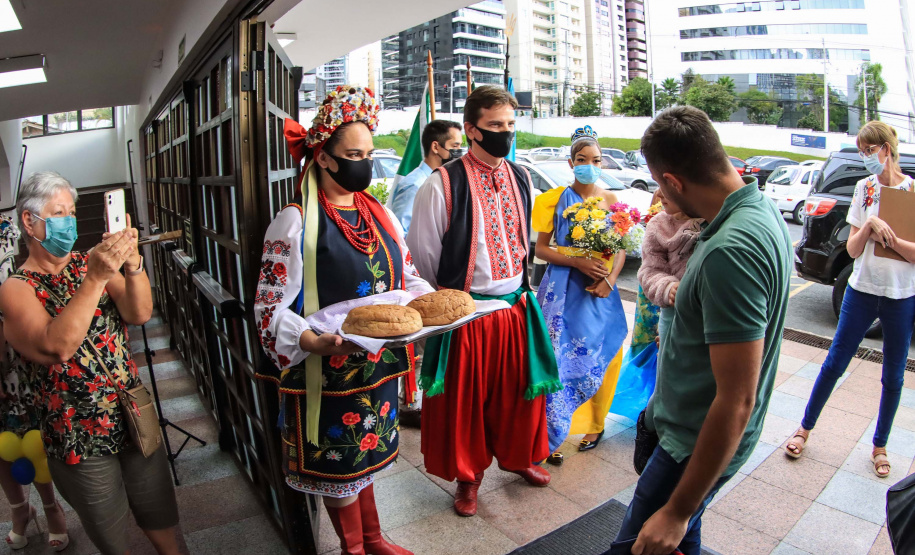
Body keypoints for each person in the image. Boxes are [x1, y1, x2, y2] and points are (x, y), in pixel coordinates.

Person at [256, 86, 432, 555]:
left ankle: (373, 540)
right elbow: (268, 310)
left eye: (370, 154)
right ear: (325, 157)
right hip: (326, 371)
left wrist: (430, 305)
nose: (365, 163)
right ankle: (353, 549)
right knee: (339, 465)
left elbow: (408, 274)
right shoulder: (293, 222)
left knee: (366, 453)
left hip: (376, 367)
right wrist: (312, 341)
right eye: (354, 154)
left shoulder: (381, 216)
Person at [611, 106, 791, 555]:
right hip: (687, 430)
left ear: (673, 182)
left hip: (691, 444)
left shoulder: (729, 250)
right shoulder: (760, 209)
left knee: (636, 545)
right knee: (682, 542)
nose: (658, 193)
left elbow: (737, 399)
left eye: (659, 183)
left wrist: (678, 508)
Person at [0, 171, 180, 555]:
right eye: (58, 212)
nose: (69, 221)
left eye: (72, 211)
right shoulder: (16, 288)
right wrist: (96, 278)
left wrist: (132, 266)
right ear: (30, 222)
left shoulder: (88, 263)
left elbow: (139, 311)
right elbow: (57, 346)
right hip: (75, 431)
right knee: (113, 537)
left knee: (161, 516)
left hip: (131, 409)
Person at [408, 85, 561, 517]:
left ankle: (518, 459)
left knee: (520, 395)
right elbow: (424, 254)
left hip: (515, 307)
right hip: (469, 314)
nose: (505, 133)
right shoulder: (442, 183)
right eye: (495, 125)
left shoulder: (522, 176)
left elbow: (523, 240)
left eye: (510, 124)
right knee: (466, 403)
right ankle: (468, 478)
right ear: (472, 129)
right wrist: (457, 300)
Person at [785, 122, 915, 478]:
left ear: (887, 149)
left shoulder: (912, 192)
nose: (866, 157)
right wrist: (871, 225)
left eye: (870, 150)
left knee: (894, 376)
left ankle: (880, 445)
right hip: (861, 291)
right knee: (834, 362)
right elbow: (855, 249)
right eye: (861, 150)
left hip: (901, 297)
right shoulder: (864, 189)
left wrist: (891, 241)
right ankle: (804, 428)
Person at [531, 125, 628, 465]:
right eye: (583, 159)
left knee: (600, 356)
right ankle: (552, 432)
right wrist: (578, 260)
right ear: (571, 163)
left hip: (598, 289)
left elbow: (620, 249)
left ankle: (595, 425)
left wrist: (610, 280)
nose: (590, 164)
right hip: (561, 288)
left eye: (597, 159)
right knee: (557, 357)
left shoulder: (612, 199)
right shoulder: (552, 200)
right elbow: (542, 250)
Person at [0, 211, 69, 551]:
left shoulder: (4, 228)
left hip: (12, 354)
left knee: (28, 437)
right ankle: (18, 511)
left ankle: (52, 507)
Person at [637, 187, 703, 342]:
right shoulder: (659, 225)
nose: (658, 193)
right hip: (674, 315)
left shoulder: (714, 219)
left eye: (665, 185)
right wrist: (667, 287)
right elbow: (650, 269)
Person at [387, 119, 463, 234]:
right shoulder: (415, 185)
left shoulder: (444, 181)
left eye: (460, 146)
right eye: (455, 146)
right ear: (435, 147)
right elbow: (400, 233)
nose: (459, 152)